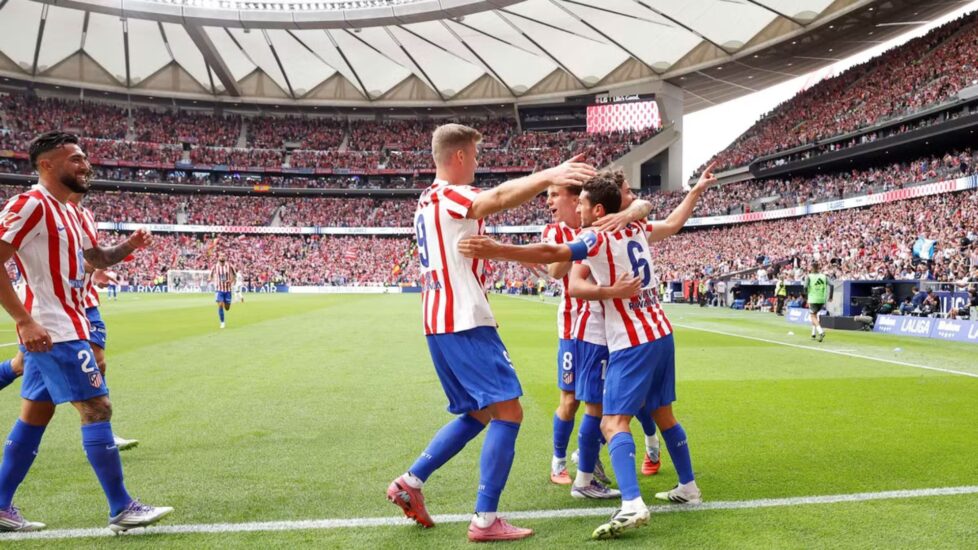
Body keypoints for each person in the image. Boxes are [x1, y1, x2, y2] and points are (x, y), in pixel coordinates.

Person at [459, 165, 718, 539]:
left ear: (598, 209)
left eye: (581, 202)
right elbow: (674, 222)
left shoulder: (595, 236)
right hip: (661, 331)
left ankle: (632, 504)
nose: (577, 208)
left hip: (631, 340)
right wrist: (694, 191)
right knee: (663, 413)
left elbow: (555, 253)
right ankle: (688, 487)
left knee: (612, 423)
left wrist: (499, 250)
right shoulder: (636, 227)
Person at [385, 123, 594, 542]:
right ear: (460, 156)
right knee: (509, 412)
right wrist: (549, 175)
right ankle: (485, 519)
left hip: (440, 322)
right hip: (464, 319)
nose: (477, 164)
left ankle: (412, 480)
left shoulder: (427, 199)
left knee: (480, 412)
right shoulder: (450, 194)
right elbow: (494, 199)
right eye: (476, 156)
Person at [0, 131, 171, 533]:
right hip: (53, 327)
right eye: (75, 159)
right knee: (97, 408)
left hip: (70, 321)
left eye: (84, 158)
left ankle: (0, 505)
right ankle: (122, 508)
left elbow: (97, 258)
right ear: (46, 164)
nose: (85, 165)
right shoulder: (30, 205)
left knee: (36, 414)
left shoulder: (76, 213)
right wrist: (24, 319)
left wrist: (130, 246)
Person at [804, 262, 829, 342]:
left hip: (813, 298)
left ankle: (821, 332)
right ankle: (813, 334)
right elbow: (831, 285)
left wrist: (806, 295)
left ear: (812, 268)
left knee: (812, 316)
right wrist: (831, 296)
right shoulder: (824, 276)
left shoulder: (809, 276)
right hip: (822, 299)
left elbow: (805, 286)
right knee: (815, 315)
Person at [210, 253, 236, 328]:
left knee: (227, 308)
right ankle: (222, 322)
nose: (222, 257)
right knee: (220, 305)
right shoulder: (215, 266)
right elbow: (210, 275)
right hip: (219, 289)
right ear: (218, 257)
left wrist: (231, 281)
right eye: (221, 256)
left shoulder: (230, 266)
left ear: (225, 257)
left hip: (228, 290)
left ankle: (224, 301)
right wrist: (212, 281)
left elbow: (234, 276)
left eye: (223, 256)